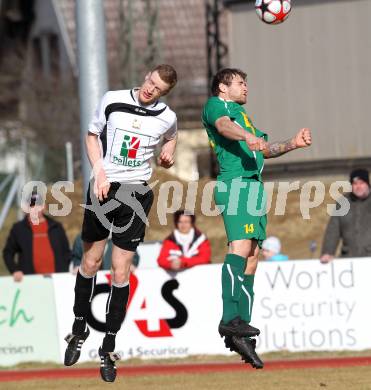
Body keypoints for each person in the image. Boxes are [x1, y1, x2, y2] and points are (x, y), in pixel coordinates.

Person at [64, 64, 178, 383]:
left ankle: (108, 348)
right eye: (150, 82)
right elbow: (91, 136)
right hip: (104, 187)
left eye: (158, 89)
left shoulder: (167, 116)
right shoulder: (113, 99)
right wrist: (98, 172)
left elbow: (172, 136)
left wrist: (168, 149)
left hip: (137, 194)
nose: (150, 89)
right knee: (90, 261)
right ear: (146, 76)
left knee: (121, 271)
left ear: (165, 94)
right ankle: (77, 328)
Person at [201, 68, 311, 369]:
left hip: (253, 187)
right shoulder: (217, 106)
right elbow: (224, 127)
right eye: (240, 83)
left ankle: (242, 331)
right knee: (239, 247)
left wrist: (292, 143)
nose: (246, 87)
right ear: (223, 87)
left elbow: (264, 149)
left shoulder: (243, 115)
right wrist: (247, 136)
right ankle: (229, 320)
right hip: (236, 185)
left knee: (252, 256)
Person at [3, 192, 71, 281]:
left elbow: (67, 253)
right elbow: (7, 253)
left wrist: (68, 269)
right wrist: (15, 270)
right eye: (32, 205)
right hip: (31, 281)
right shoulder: (18, 229)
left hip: (57, 280)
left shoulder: (56, 227)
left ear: (44, 206)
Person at [320, 168, 371, 263]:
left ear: (368, 184)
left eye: (361, 183)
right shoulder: (343, 202)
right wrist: (327, 252)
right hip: (348, 259)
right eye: (355, 184)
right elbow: (333, 230)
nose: (358, 187)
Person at [71, 233, 140, 273]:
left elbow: (134, 257)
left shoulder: (124, 237)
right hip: (90, 283)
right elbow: (76, 258)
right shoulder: (81, 238)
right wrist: (77, 267)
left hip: (115, 283)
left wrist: (131, 265)